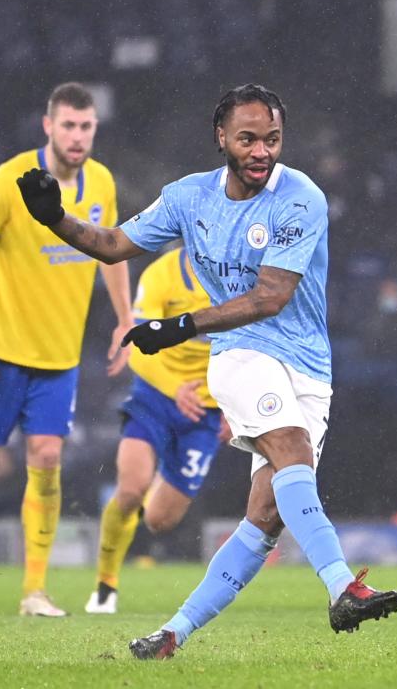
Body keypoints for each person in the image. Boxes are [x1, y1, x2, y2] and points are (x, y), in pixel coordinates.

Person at [15, 83, 397, 657]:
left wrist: (178, 326)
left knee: (266, 515)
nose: (261, 151)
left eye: (271, 139)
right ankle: (343, 585)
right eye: (247, 138)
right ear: (221, 137)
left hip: (309, 367)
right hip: (241, 354)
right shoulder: (188, 198)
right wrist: (56, 220)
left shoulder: (301, 198)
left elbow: (272, 295)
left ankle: (171, 635)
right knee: (291, 451)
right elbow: (115, 242)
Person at [0, 82, 133, 617]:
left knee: (46, 458)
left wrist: (125, 318)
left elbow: (113, 249)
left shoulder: (102, 184)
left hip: (59, 360)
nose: (77, 135)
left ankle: (34, 592)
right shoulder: (7, 180)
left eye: (85, 126)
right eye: (67, 125)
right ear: (48, 126)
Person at [85, 246, 232, 614]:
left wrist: (237, 406)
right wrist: (174, 390)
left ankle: (159, 479)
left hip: (206, 410)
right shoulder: (161, 274)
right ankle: (105, 585)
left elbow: (254, 345)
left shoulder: (239, 274)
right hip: (156, 397)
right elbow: (136, 345)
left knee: (160, 520)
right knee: (130, 489)